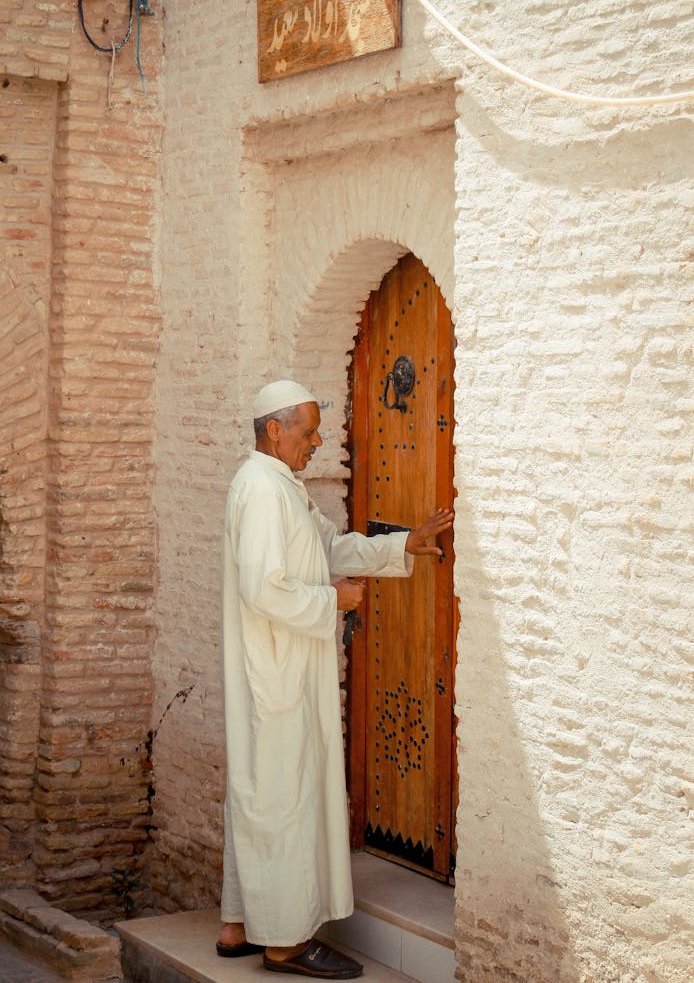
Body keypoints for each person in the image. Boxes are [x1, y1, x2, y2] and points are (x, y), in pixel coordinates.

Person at [216, 380, 454, 979]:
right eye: (309, 430)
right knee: (283, 796)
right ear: (275, 429)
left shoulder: (279, 488)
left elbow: (328, 547)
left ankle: (239, 923)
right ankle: (287, 943)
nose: (318, 442)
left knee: (261, 790)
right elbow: (264, 587)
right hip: (277, 668)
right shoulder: (263, 491)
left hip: (278, 668)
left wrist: (404, 546)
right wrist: (334, 603)